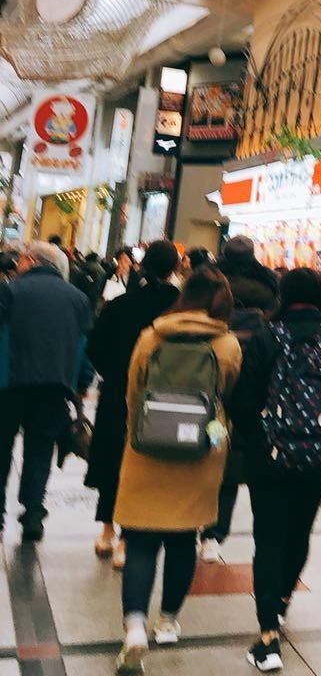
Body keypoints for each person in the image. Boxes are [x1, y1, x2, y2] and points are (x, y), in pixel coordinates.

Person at [228, 268, 321, 672]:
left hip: (269, 456)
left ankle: (268, 636)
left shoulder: (267, 337)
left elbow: (243, 400)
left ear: (283, 297)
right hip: (319, 457)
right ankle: (284, 600)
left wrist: (262, 433)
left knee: (269, 537)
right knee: (299, 531)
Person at [113, 268, 241, 676]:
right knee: (183, 540)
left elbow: (132, 392)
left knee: (140, 543)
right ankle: (167, 621)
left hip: (146, 452)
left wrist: (140, 432)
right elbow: (227, 400)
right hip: (199, 456)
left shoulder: (151, 337)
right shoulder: (227, 345)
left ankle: (134, 625)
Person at [85, 240, 180, 567]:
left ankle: (107, 530)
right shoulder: (180, 309)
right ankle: (129, 538)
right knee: (145, 466)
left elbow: (94, 348)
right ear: (175, 269)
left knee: (113, 460)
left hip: (118, 394)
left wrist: (113, 374)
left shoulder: (120, 305)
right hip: (164, 398)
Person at [0, 242, 94, 542]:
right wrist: (81, 382)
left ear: (30, 260)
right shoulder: (77, 298)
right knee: (40, 450)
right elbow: (84, 345)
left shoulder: (10, 291)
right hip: (55, 387)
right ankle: (33, 513)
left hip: (10, 385)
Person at [200, 235, 279, 559]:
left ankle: (194, 518)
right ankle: (214, 534)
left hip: (210, 391)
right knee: (231, 463)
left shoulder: (210, 285)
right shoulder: (269, 289)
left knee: (205, 449)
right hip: (245, 396)